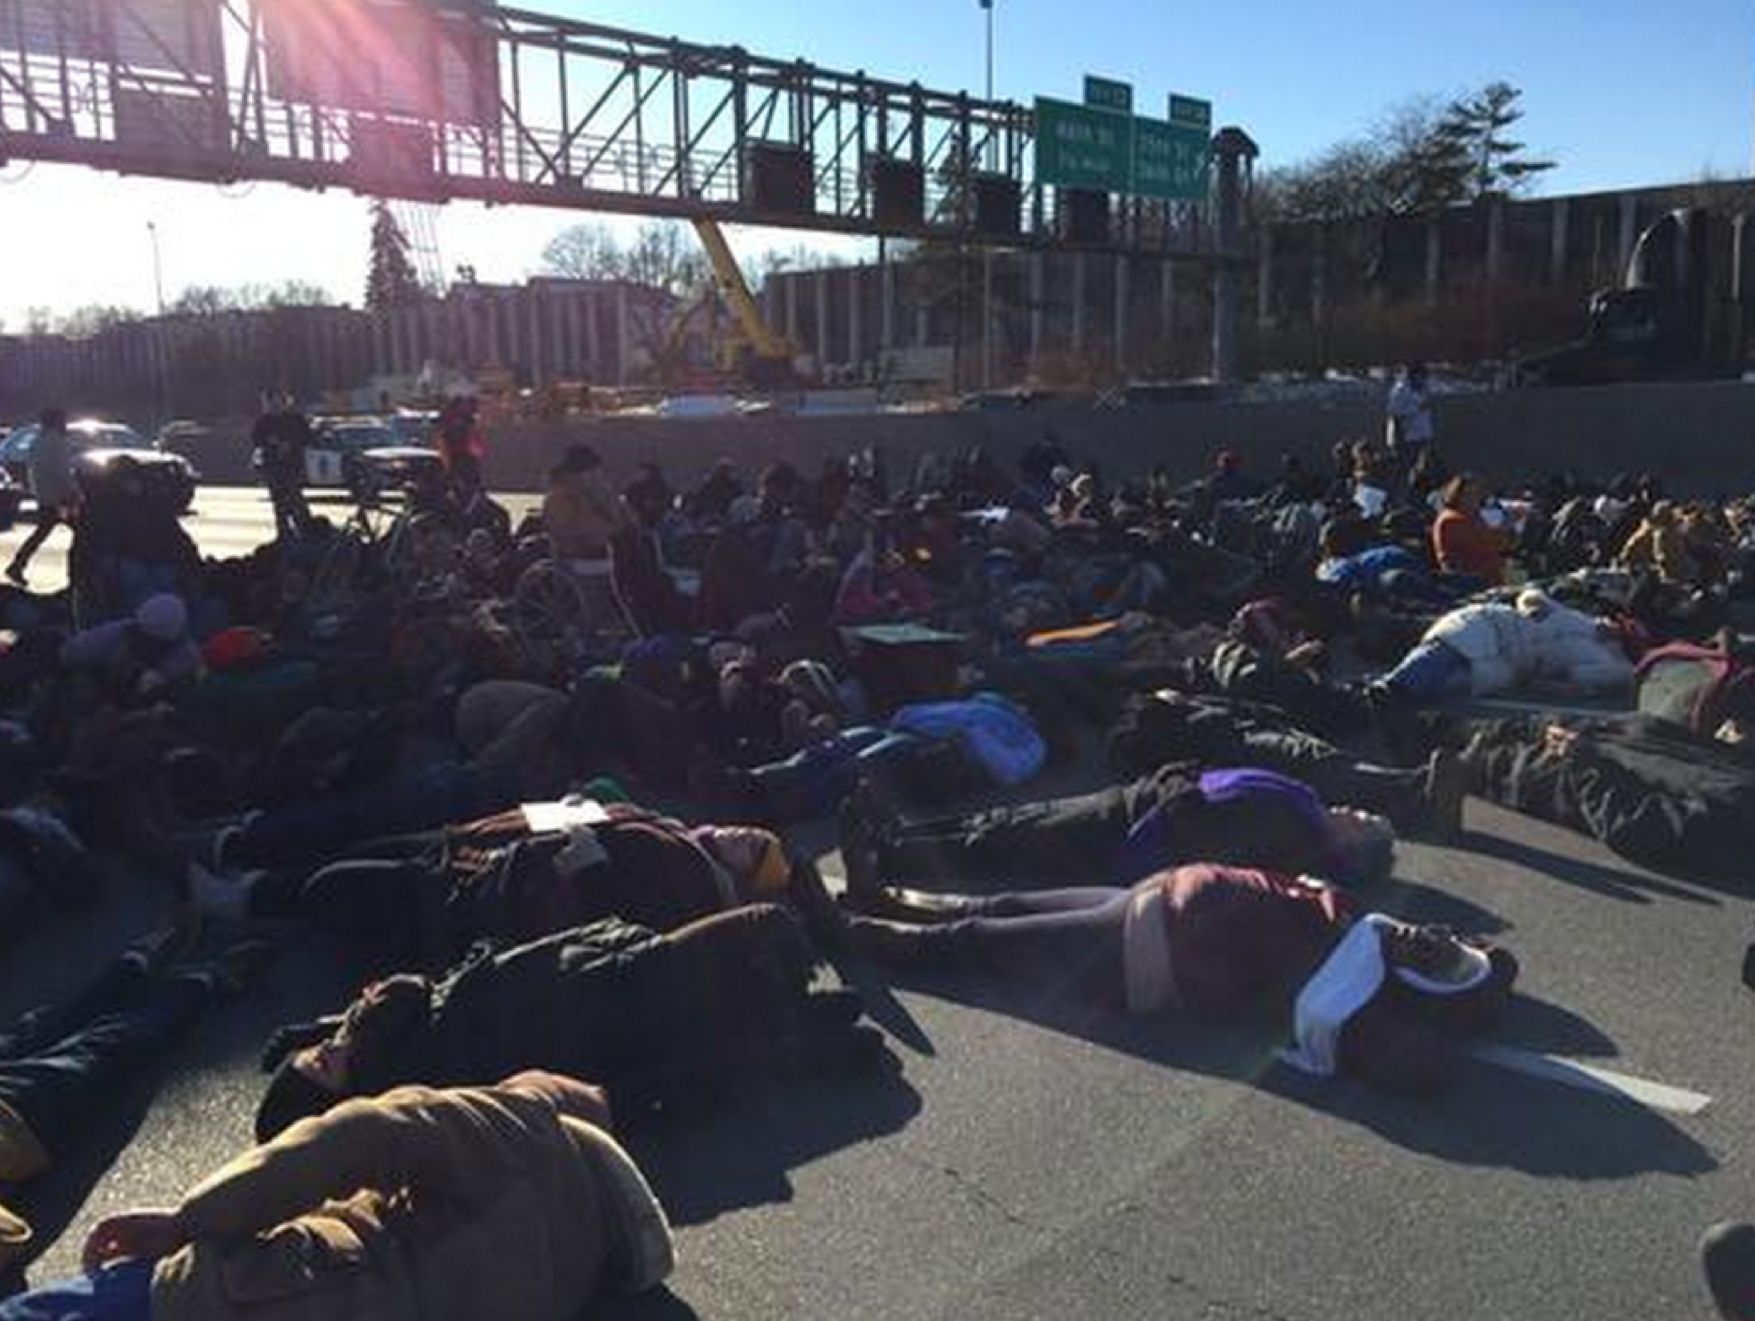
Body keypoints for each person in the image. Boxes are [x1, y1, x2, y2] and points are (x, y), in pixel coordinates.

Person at [7, 1071, 673, 1321]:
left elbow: (364, 1131)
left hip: (254, 1295)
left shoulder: (530, 1134)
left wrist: (190, 1218)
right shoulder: (565, 1286)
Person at [844, 863, 1517, 1096]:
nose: (1426, 939)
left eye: (1436, 963)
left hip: (1142, 947)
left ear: (1416, 990)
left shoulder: (1356, 994)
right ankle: (880, 895)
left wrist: (1439, 1023)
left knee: (975, 942)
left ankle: (848, 935)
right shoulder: (1362, 931)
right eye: (1445, 945)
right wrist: (1480, 972)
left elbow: (1421, 1066)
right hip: (1149, 893)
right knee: (1002, 905)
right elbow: (1495, 958)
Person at [253, 905, 884, 1141]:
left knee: (756, 964)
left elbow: (425, 997)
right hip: (617, 996)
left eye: (318, 1050)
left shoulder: (382, 1034)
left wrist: (327, 1026)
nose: (327, 1049)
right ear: (331, 1104)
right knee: (766, 929)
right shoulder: (409, 1079)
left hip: (599, 970)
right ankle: (801, 1014)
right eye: (322, 1066)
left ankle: (793, 1016)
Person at [0, 925, 271, 1280]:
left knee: (46, 1026)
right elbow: (11, 1236)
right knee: (107, 1046)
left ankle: (133, 969)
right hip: (16, 1122)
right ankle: (198, 983)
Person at [838, 762, 1400, 905]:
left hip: (1130, 825)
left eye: (1366, 822)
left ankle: (888, 858)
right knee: (1007, 818)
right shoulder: (1306, 803)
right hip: (1139, 794)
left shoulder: (1298, 832)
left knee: (1006, 842)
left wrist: (1132, 857)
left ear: (1352, 845)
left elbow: (1199, 827)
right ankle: (899, 834)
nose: (1358, 810)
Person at [6, 409, 75, 587]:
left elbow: (34, 470)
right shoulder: (58, 442)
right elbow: (63, 472)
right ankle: (78, 573)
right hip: (61, 498)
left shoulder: (37, 441)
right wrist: (74, 492)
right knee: (84, 534)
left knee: (41, 532)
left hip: (45, 496)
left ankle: (17, 565)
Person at [1431, 473, 1516, 586]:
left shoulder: (1473, 516)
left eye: (1477, 494)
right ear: (1457, 495)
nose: (1475, 498)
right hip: (1469, 581)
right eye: (1469, 494)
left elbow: (1496, 542)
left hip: (1489, 576)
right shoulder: (1452, 520)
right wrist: (1506, 526)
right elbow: (1484, 547)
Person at [249, 392, 313, 543]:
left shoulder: (296, 419)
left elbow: (308, 437)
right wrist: (270, 442)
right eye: (272, 402)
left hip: (292, 465)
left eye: (279, 401)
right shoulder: (264, 421)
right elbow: (256, 439)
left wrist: (291, 443)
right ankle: (284, 534)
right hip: (273, 467)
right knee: (279, 502)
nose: (276, 405)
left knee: (295, 498)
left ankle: (306, 530)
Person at [1385, 361, 1435, 468]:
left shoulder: (1424, 389)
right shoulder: (1400, 390)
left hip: (1422, 436)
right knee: (1406, 466)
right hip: (1406, 438)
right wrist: (1416, 409)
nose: (1423, 379)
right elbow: (1393, 411)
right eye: (1420, 376)